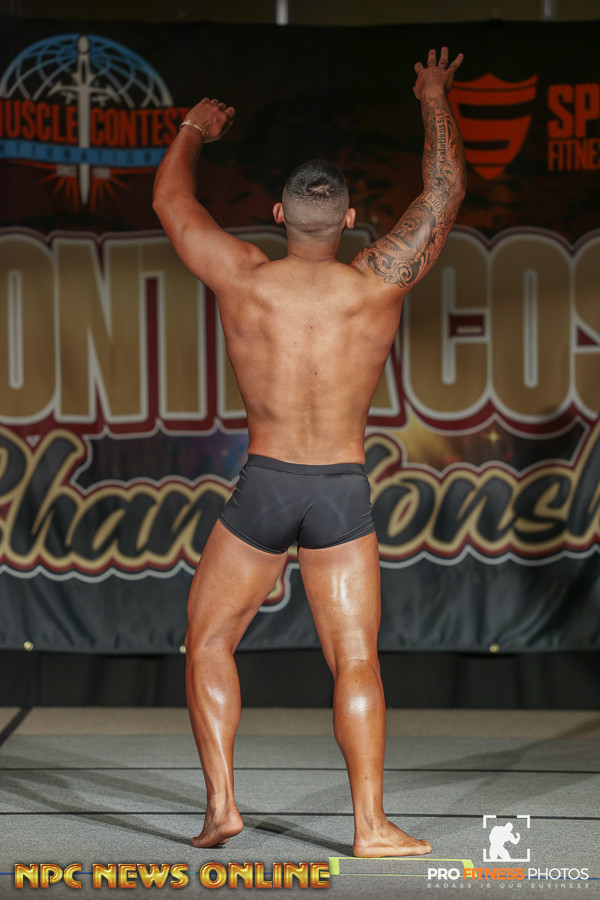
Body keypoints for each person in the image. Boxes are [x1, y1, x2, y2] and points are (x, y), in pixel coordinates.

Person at [153, 46, 465, 858]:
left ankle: (223, 807)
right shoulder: (377, 283)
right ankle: (370, 826)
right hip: (340, 490)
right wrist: (433, 94)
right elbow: (443, 193)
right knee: (355, 656)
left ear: (279, 215)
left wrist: (193, 129)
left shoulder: (244, 278)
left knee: (208, 640)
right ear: (352, 219)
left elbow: (171, 201)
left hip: (265, 484)